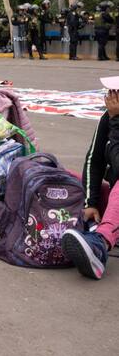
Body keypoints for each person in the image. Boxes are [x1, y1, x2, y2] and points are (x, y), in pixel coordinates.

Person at [62, 78, 119, 279]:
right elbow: (94, 161)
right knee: (65, 176)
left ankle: (99, 245)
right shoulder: (109, 118)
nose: (110, 97)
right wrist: (91, 202)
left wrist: (116, 123)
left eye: (114, 92)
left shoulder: (114, 119)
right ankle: (90, 227)